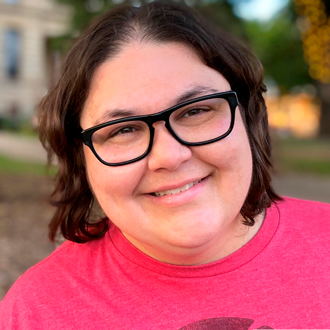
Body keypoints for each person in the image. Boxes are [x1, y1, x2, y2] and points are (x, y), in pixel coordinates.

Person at [1, 1, 329, 329]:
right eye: (124, 130)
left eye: (195, 111)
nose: (169, 156)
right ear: (80, 159)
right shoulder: (33, 315)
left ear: (248, 116)